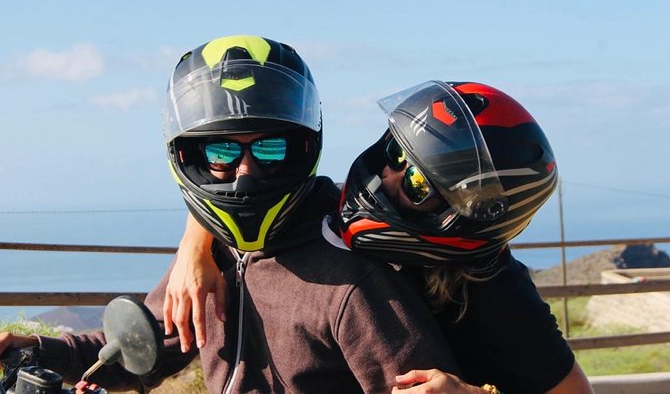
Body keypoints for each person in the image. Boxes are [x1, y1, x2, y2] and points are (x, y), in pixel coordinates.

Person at [0, 36, 472, 393]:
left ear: (301, 146)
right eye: (222, 150)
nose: (245, 172)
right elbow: (146, 348)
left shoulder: (353, 273)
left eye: (269, 146)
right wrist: (38, 350)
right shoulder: (215, 250)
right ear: (190, 154)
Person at [164, 80, 594, 393]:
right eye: (396, 152)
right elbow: (249, 196)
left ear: (460, 218)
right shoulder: (347, 218)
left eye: (418, 184)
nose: (385, 176)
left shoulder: (499, 301)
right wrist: (194, 246)